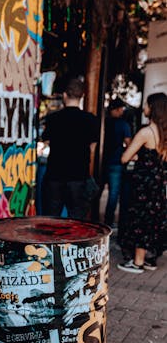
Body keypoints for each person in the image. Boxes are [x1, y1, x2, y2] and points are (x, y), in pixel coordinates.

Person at [117, 92, 167, 273]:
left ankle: (137, 262)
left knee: (141, 218)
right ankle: (149, 260)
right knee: (153, 218)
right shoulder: (164, 133)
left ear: (152, 109)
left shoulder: (146, 132)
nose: (144, 108)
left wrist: (137, 156)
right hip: (159, 182)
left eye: (146, 105)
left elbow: (125, 158)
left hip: (144, 183)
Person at [41, 76, 100, 220]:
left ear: (65, 95)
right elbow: (92, 147)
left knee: (51, 222)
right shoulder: (90, 119)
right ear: (82, 96)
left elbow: (46, 142)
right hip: (79, 176)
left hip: (55, 176)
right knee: (77, 223)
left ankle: (52, 243)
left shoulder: (53, 118)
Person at [101, 98, 131, 227]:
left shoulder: (104, 122)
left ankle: (93, 217)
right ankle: (108, 222)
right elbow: (129, 143)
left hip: (102, 161)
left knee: (98, 190)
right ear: (117, 109)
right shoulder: (124, 125)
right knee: (113, 194)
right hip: (116, 162)